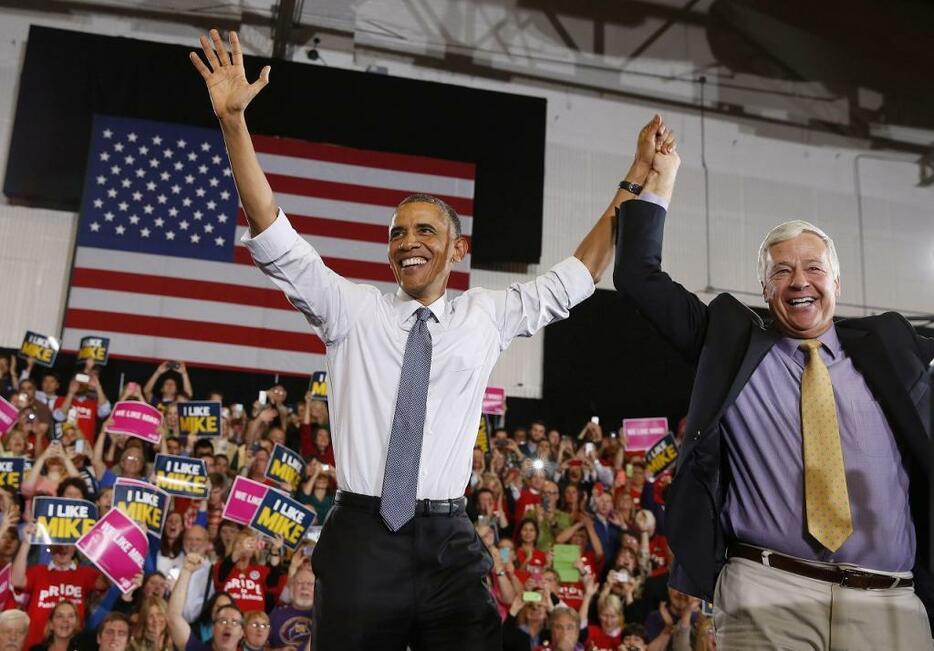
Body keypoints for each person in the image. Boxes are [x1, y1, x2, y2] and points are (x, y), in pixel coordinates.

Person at [189, 28, 672, 651]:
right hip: (362, 538)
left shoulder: (486, 314)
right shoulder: (350, 309)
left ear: (457, 247)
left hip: (449, 542)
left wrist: (636, 173)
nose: (407, 241)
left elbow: (579, 274)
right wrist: (233, 124)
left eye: (423, 229)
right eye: (396, 233)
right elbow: (272, 227)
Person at [613, 139, 934, 648]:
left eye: (813, 268)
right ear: (763, 289)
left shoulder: (894, 349)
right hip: (767, 593)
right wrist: (659, 179)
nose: (798, 281)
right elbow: (637, 276)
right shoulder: (731, 344)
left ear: (836, 281)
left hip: (888, 601)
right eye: (781, 271)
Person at [267, 568, 314, 651]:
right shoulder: (276, 615)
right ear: (292, 588)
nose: (304, 587)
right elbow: (260, 647)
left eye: (310, 583)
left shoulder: (326, 617)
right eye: (300, 583)